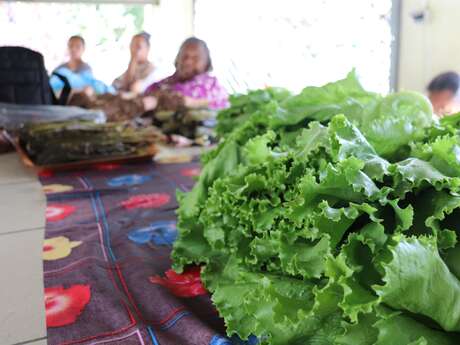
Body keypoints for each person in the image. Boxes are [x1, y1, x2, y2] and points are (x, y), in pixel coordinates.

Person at [145, 37, 229, 110]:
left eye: (196, 58)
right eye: (184, 56)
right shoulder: (159, 85)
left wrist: (191, 102)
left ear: (206, 63)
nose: (188, 62)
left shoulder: (213, 87)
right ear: (177, 58)